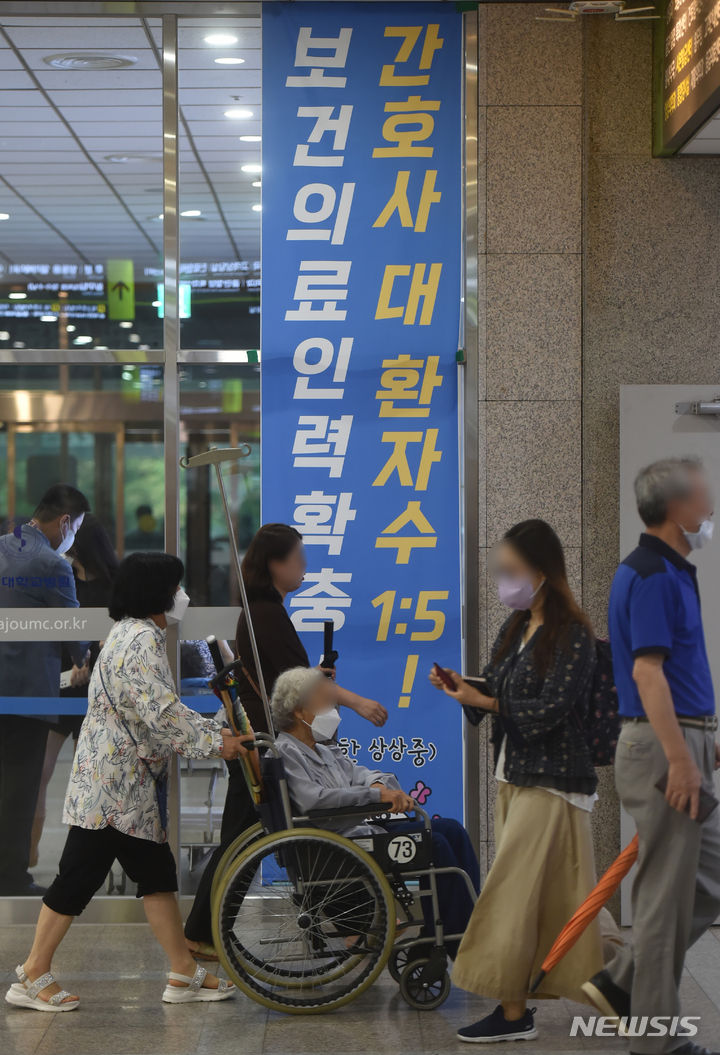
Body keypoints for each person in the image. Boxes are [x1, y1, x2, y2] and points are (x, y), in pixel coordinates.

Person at [5, 552, 251, 1013]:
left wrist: (209, 737)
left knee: (156, 874)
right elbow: (161, 712)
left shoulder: (128, 634)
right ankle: (33, 973)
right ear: (158, 593)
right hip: (112, 790)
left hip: (122, 786)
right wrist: (216, 742)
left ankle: (181, 970)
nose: (182, 596)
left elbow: (153, 711)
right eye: (176, 587)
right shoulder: (140, 640)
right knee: (78, 879)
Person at [430, 519, 622, 1044]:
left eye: (512, 571)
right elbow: (496, 686)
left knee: (511, 891)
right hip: (513, 772)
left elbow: (551, 710)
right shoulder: (516, 627)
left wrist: (485, 701)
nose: (504, 580)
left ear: (542, 571)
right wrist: (463, 687)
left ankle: (513, 1011)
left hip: (555, 781)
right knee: (564, 897)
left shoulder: (573, 634)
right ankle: (622, 986)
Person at [183, 523, 389, 957]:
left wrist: (317, 684)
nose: (305, 566)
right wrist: (354, 701)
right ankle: (202, 933)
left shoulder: (262, 611)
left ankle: (205, 931)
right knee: (261, 840)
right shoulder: (265, 613)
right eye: (298, 557)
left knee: (271, 838)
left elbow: (291, 681)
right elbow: (295, 684)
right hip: (266, 748)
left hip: (261, 744)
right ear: (276, 564)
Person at [582, 458, 720, 1055]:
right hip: (665, 747)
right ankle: (655, 1041)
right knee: (665, 897)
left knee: (708, 876)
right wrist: (683, 759)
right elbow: (646, 671)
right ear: (677, 508)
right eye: (704, 496)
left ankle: (622, 982)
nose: (710, 507)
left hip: (684, 737)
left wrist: (703, 737)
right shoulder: (651, 575)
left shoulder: (668, 570)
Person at [271, 666, 480, 949]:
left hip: (360, 830)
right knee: (436, 844)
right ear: (299, 711)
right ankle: (451, 941)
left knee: (451, 829)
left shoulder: (321, 748)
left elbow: (359, 774)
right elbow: (314, 800)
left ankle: (475, 926)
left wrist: (380, 787)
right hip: (336, 842)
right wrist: (372, 796)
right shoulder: (286, 752)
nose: (332, 707)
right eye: (325, 700)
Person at [0, 484, 90, 896]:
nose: (73, 539)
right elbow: (75, 630)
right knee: (19, 786)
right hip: (26, 692)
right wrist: (83, 660)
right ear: (65, 522)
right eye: (76, 529)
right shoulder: (52, 563)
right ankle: (11, 877)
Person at [30, 514, 120, 867]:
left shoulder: (116, 587)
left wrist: (91, 658)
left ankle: (80, 861)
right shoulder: (60, 579)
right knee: (41, 773)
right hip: (61, 688)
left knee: (91, 780)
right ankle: (29, 854)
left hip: (98, 696)